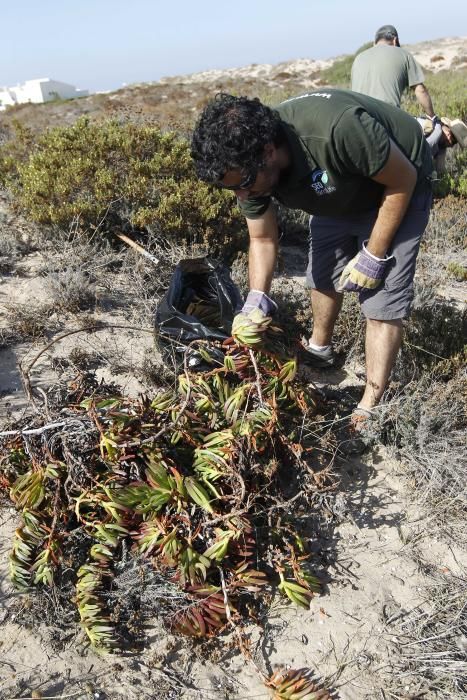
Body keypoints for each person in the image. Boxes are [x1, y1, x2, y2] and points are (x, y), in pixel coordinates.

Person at [191, 90, 433, 450]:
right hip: (336, 181)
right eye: (232, 189)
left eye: (242, 185)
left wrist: (374, 253)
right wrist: (257, 297)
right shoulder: (247, 168)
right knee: (322, 271)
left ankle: (372, 400)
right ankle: (320, 348)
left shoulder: (337, 129)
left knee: (380, 300)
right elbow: (262, 239)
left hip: (400, 182)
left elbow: (401, 181)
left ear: (268, 153)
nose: (241, 195)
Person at [351, 24, 436, 119]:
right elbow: (420, 91)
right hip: (387, 118)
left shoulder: (358, 58)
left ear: (374, 43)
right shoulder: (404, 55)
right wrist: (433, 117)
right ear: (395, 41)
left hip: (357, 118)